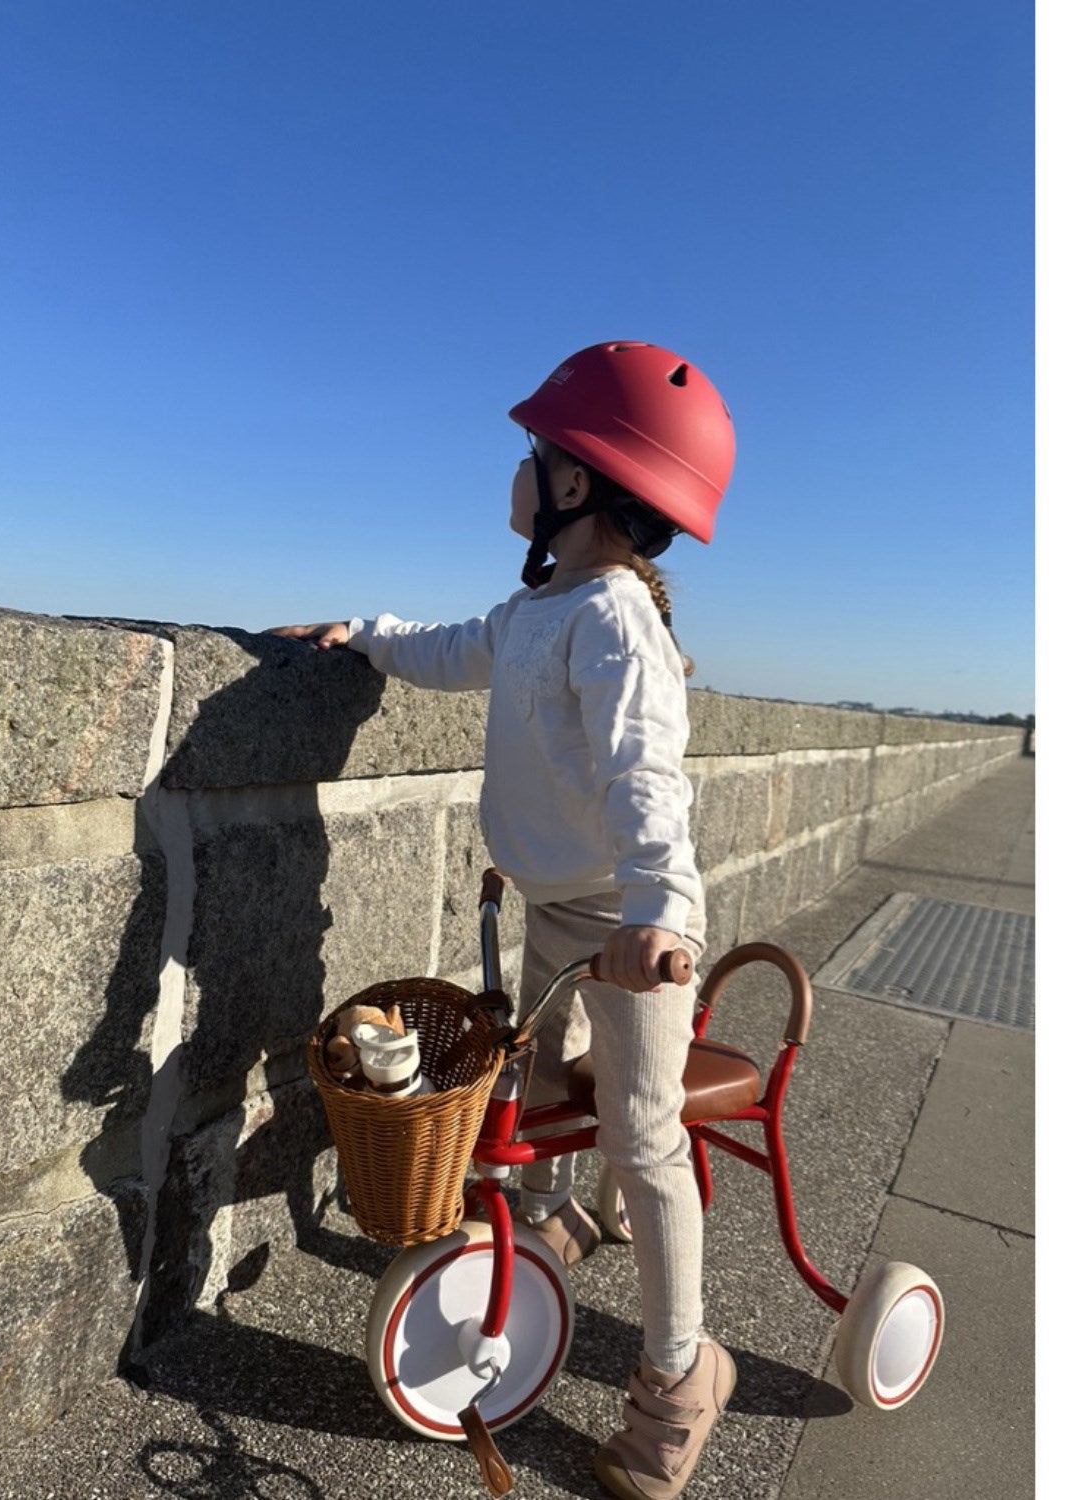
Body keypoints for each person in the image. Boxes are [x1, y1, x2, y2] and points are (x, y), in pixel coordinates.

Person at [270, 341, 736, 1500]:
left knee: (642, 1132)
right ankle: (548, 1225)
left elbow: (646, 776)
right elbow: (448, 650)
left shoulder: (614, 619)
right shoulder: (538, 608)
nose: (520, 474)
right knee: (535, 1092)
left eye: (536, 455)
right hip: (552, 908)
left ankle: (682, 1373)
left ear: (576, 483)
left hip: (625, 929)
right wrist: (362, 633)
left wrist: (661, 913)